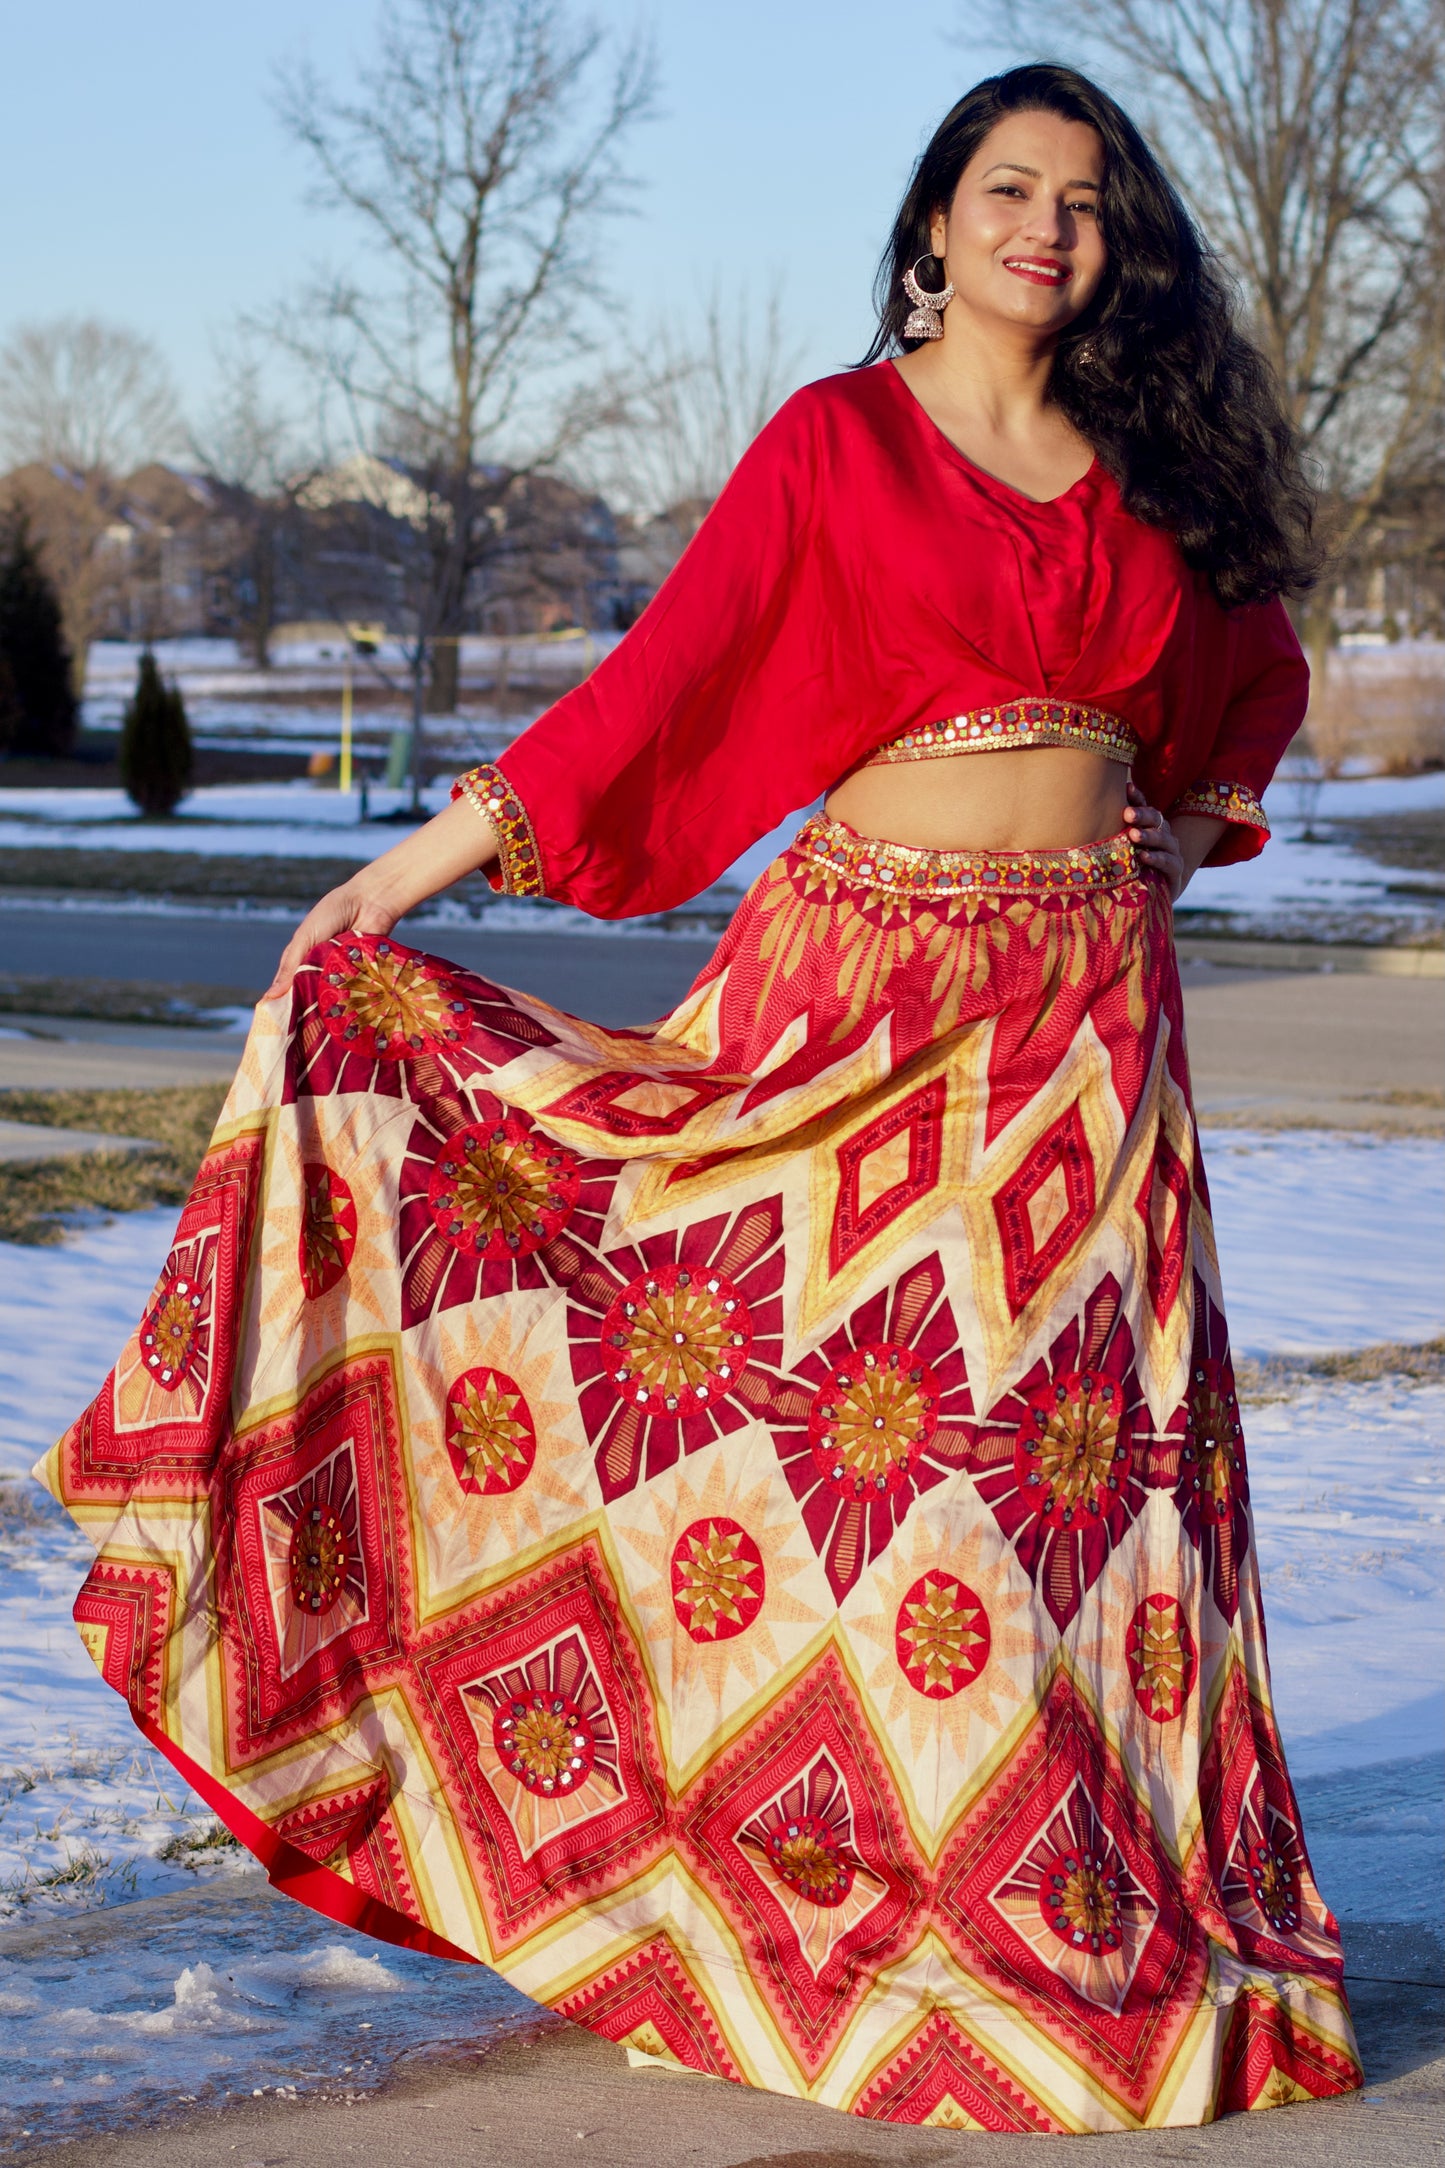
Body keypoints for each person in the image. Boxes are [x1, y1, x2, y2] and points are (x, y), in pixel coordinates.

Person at [40, 64, 1362, 2134]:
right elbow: (666, 681)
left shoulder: (1152, 463)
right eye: (1009, 188)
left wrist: (1185, 825)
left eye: (1089, 201)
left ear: (1121, 246)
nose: (1049, 225)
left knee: (1048, 1492)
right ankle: (834, 1887)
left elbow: (1253, 674)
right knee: (855, 1462)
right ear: (934, 224)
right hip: (865, 1001)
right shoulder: (839, 441)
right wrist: (404, 872)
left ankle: (1047, 1920)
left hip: (1084, 1038)